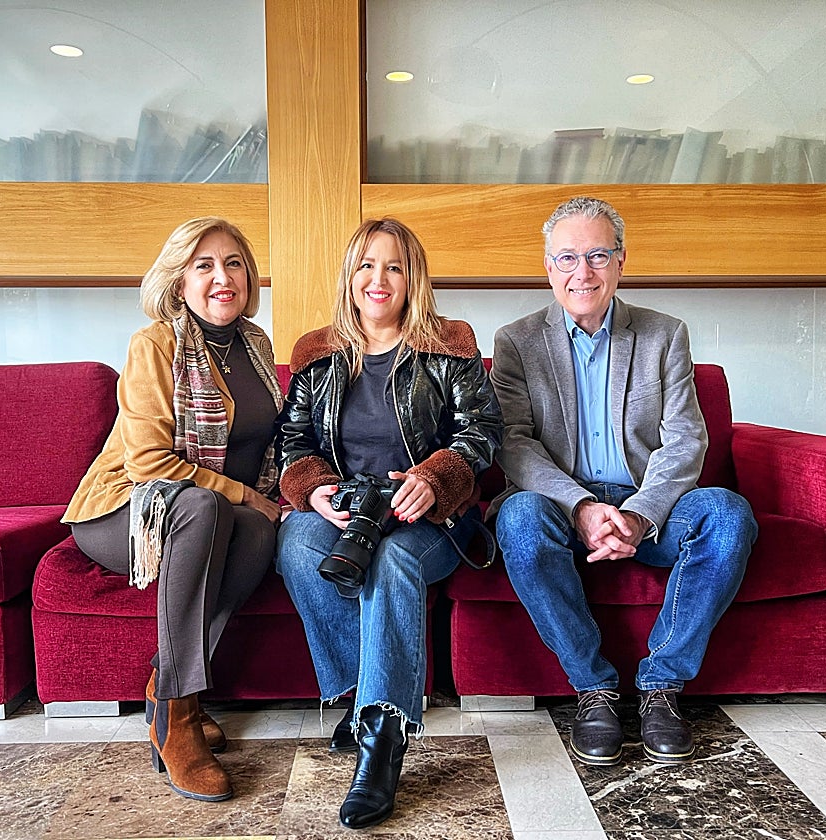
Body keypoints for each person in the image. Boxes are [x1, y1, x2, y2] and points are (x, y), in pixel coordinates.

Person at [490, 196, 757, 767]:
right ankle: (594, 689)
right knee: (518, 518)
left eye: (597, 255)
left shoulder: (664, 334)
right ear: (548, 267)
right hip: (561, 511)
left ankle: (661, 684)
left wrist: (637, 514)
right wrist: (582, 507)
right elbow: (513, 443)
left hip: (649, 509)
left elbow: (685, 440)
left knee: (727, 513)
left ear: (620, 261)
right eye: (567, 258)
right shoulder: (517, 342)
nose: (582, 272)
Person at [276, 218, 502, 829]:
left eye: (394, 267)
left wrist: (435, 479)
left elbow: (483, 432)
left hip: (430, 518)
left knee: (396, 558)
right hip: (350, 509)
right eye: (366, 266)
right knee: (296, 542)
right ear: (350, 276)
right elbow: (292, 440)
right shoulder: (317, 353)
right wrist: (313, 489)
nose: (379, 279)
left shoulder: (449, 345)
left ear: (413, 278)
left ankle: (382, 739)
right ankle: (357, 697)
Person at [62, 216, 283, 802]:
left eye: (233, 264)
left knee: (258, 531)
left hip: (208, 515)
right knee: (205, 507)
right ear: (179, 281)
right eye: (203, 265)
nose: (222, 278)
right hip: (121, 511)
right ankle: (179, 717)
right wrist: (246, 494)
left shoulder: (256, 346)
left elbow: (274, 446)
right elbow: (148, 464)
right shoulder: (155, 345)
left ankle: (165, 684)